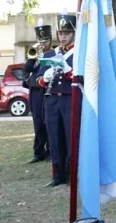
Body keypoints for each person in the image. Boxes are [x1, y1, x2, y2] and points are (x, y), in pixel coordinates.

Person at [38, 14, 76, 187]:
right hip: (52, 100)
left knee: (70, 137)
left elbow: (83, 77)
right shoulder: (51, 53)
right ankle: (57, 175)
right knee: (54, 137)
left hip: (70, 99)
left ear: (74, 33)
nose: (63, 36)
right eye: (61, 33)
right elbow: (37, 79)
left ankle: (70, 174)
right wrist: (44, 78)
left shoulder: (79, 52)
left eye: (67, 33)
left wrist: (68, 70)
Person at [22, 20, 52, 163]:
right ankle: (38, 151)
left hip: (47, 90)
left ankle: (51, 150)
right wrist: (32, 55)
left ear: (50, 40)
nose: (42, 44)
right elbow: (27, 70)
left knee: (49, 121)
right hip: (35, 91)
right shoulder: (34, 54)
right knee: (38, 122)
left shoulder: (54, 53)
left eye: (45, 41)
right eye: (40, 41)